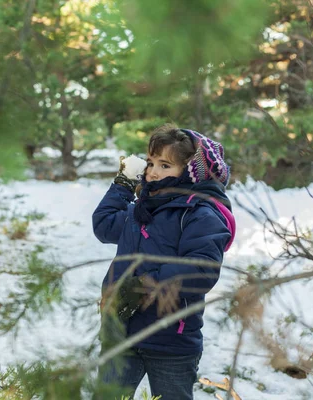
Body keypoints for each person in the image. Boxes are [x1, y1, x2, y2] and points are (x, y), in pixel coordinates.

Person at [92, 124, 235, 400]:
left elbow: (202, 269)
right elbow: (104, 225)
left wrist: (147, 283)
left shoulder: (199, 214)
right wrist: (123, 184)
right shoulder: (141, 209)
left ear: (191, 173)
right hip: (121, 334)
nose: (153, 172)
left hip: (171, 341)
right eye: (150, 163)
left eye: (165, 165)